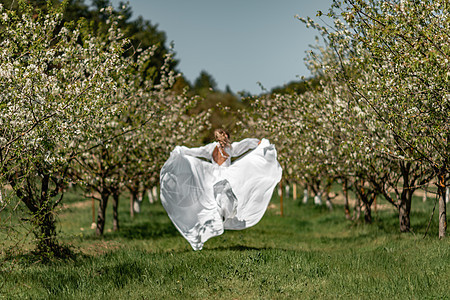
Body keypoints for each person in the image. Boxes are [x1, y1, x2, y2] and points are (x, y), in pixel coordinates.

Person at [160, 129, 282, 250]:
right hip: (222, 175)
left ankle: (222, 215)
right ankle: (219, 216)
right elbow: (244, 144)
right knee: (220, 195)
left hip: (217, 174)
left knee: (222, 195)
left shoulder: (222, 148)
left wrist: (182, 150)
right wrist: (258, 143)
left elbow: (197, 151)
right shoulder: (225, 148)